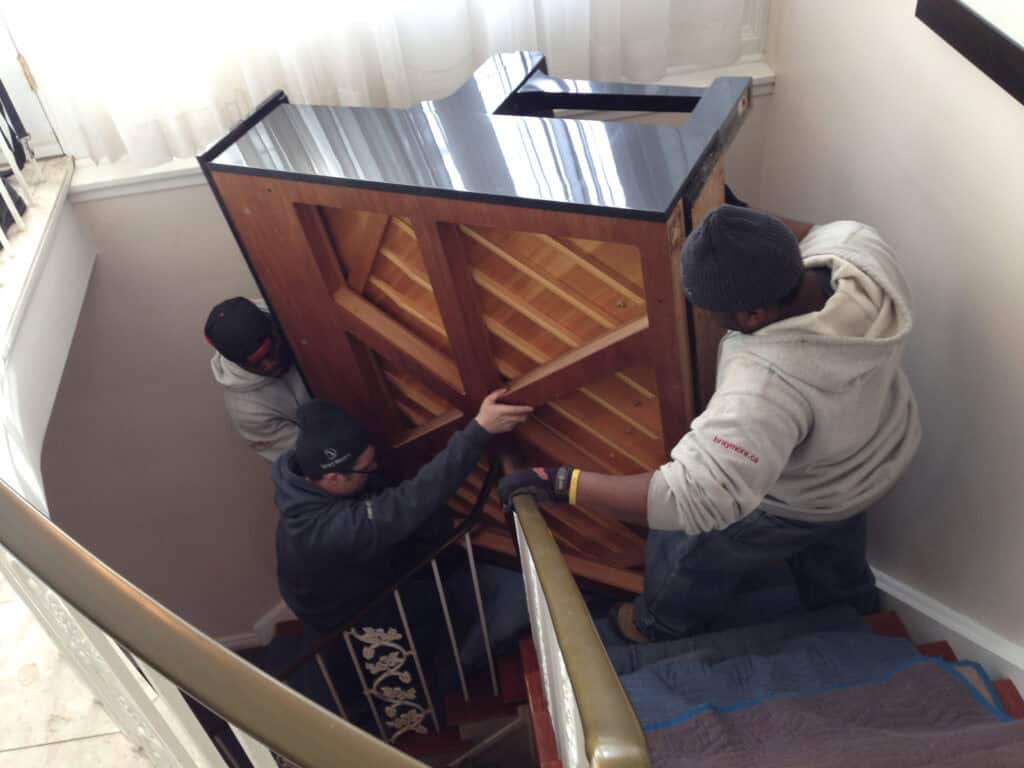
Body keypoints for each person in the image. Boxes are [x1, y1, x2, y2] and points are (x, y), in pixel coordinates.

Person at [499, 205, 921, 643]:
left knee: (686, 547)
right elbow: (809, 228)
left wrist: (559, 482)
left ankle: (655, 625)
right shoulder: (859, 250)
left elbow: (684, 499)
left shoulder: (765, 387)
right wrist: (730, 221)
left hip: (796, 500)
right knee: (836, 554)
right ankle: (862, 624)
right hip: (870, 462)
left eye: (711, 310)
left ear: (753, 316)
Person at [273, 389, 533, 682]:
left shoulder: (306, 477)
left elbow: (390, 506)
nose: (374, 470)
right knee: (436, 655)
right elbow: (407, 503)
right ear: (333, 477)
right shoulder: (327, 532)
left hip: (381, 580)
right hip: (357, 615)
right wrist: (478, 432)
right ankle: (452, 673)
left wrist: (444, 527)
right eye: (364, 469)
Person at [205, 297, 309, 461]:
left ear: (275, 327)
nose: (269, 365)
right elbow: (310, 457)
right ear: (237, 363)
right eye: (254, 364)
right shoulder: (247, 410)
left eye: (270, 351)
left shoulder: (296, 314)